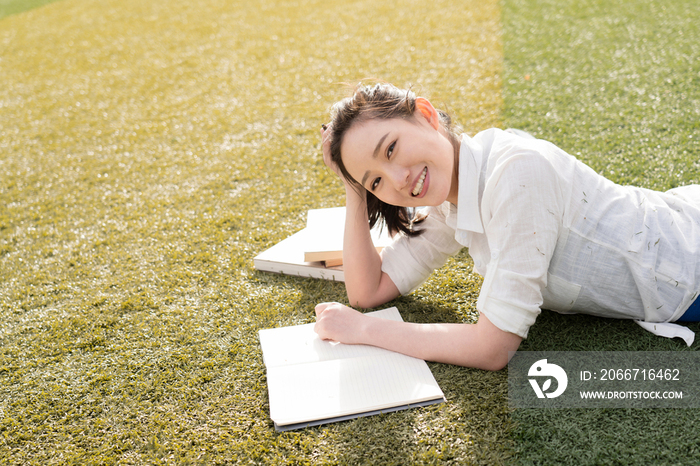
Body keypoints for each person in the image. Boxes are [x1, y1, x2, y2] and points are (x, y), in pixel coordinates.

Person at [313, 82, 700, 370]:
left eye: (391, 148)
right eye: (376, 181)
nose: (397, 180)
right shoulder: (451, 195)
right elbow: (368, 290)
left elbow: (492, 347)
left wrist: (363, 330)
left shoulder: (517, 175)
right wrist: (355, 188)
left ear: (426, 116)